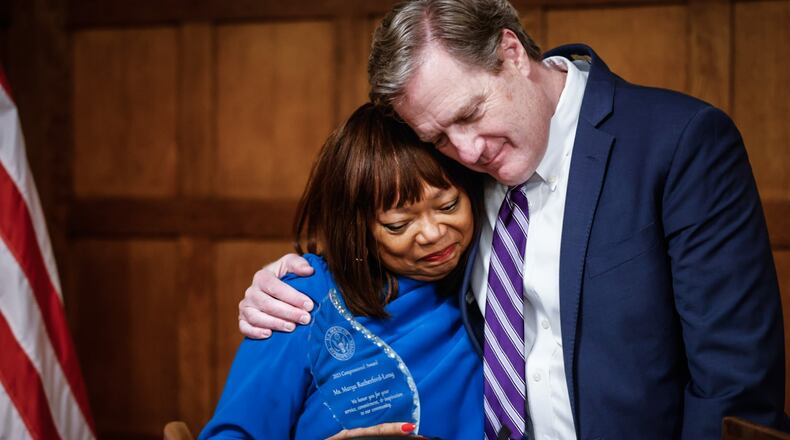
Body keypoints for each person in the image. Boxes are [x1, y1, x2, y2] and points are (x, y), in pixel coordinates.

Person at [238, 0, 787, 438]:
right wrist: (289, 280)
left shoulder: (679, 141)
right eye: (438, 138)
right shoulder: (461, 173)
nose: (467, 151)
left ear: (511, 51)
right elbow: (390, 223)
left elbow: (734, 386)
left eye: (470, 114)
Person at [200, 103, 484, 439]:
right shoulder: (301, 301)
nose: (433, 233)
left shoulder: (493, 277)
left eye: (448, 205)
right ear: (357, 229)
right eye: (398, 224)